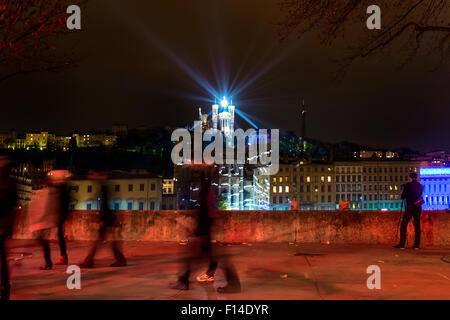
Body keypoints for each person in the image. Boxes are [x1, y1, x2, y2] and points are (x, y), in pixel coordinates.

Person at [171, 167, 241, 293]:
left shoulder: (206, 190)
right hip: (206, 228)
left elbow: (206, 212)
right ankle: (184, 280)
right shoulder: (208, 190)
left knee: (200, 257)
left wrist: (200, 231)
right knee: (209, 256)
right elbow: (208, 211)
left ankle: (184, 280)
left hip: (205, 228)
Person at [79, 172, 126, 268]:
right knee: (110, 240)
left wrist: (103, 219)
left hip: (107, 217)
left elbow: (105, 205)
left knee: (101, 241)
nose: (92, 176)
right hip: (109, 217)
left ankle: (89, 261)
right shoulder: (105, 186)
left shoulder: (104, 187)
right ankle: (120, 259)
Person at [0, 156, 17, 300]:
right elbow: (14, 204)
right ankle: (5, 285)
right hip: (5, 225)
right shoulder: (12, 182)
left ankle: (4, 285)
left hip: (2, 223)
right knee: (3, 258)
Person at [393, 172, 424, 250]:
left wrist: (405, 191)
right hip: (418, 207)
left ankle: (402, 244)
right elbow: (418, 195)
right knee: (417, 226)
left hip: (410, 207)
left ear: (410, 178)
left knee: (404, 225)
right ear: (416, 178)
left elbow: (403, 196)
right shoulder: (420, 186)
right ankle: (416, 245)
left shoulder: (407, 185)